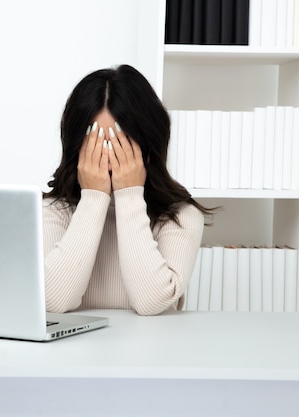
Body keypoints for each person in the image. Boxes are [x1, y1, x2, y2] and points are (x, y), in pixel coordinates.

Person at [43, 64, 213, 316]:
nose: (109, 158)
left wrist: (129, 194)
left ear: (147, 144)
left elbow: (152, 303)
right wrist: (93, 198)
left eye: (121, 145)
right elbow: (52, 300)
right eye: (96, 144)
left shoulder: (181, 216)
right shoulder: (53, 212)